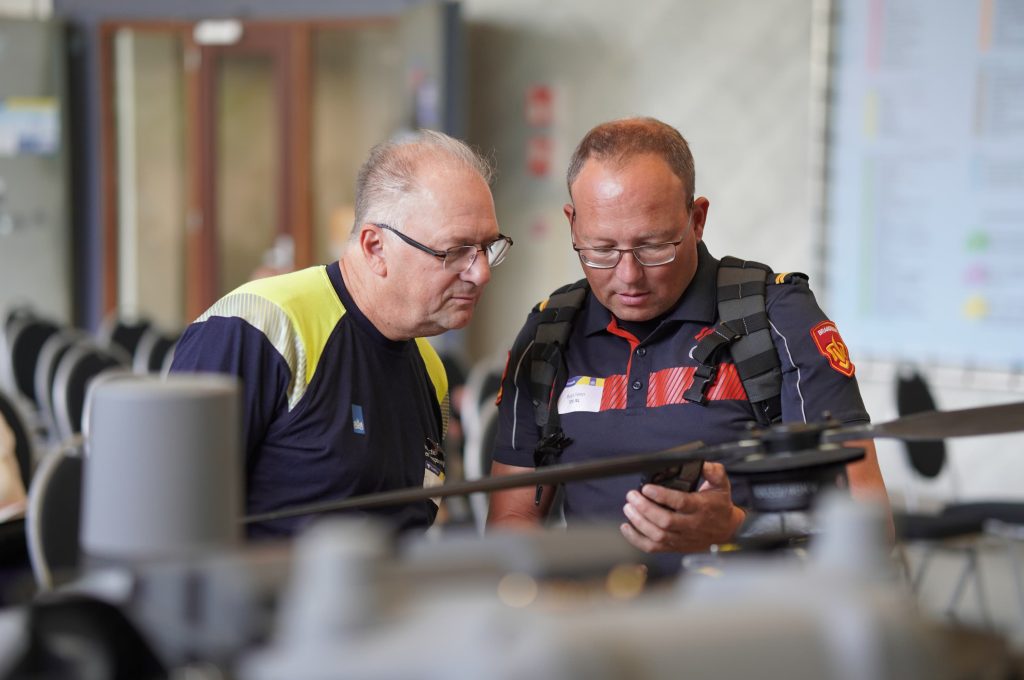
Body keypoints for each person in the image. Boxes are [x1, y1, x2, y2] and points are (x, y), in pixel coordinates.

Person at [487, 117, 889, 558]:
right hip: (595, 620)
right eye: (601, 249)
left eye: (654, 246)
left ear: (697, 220)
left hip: (747, 621)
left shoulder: (776, 319)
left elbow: (869, 528)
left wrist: (736, 528)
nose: (628, 276)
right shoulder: (549, 335)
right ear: (572, 225)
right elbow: (512, 520)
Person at [171, 130, 512, 538]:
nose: (482, 272)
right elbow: (171, 526)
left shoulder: (430, 368)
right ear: (375, 247)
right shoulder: (258, 328)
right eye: (455, 251)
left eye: (487, 247)